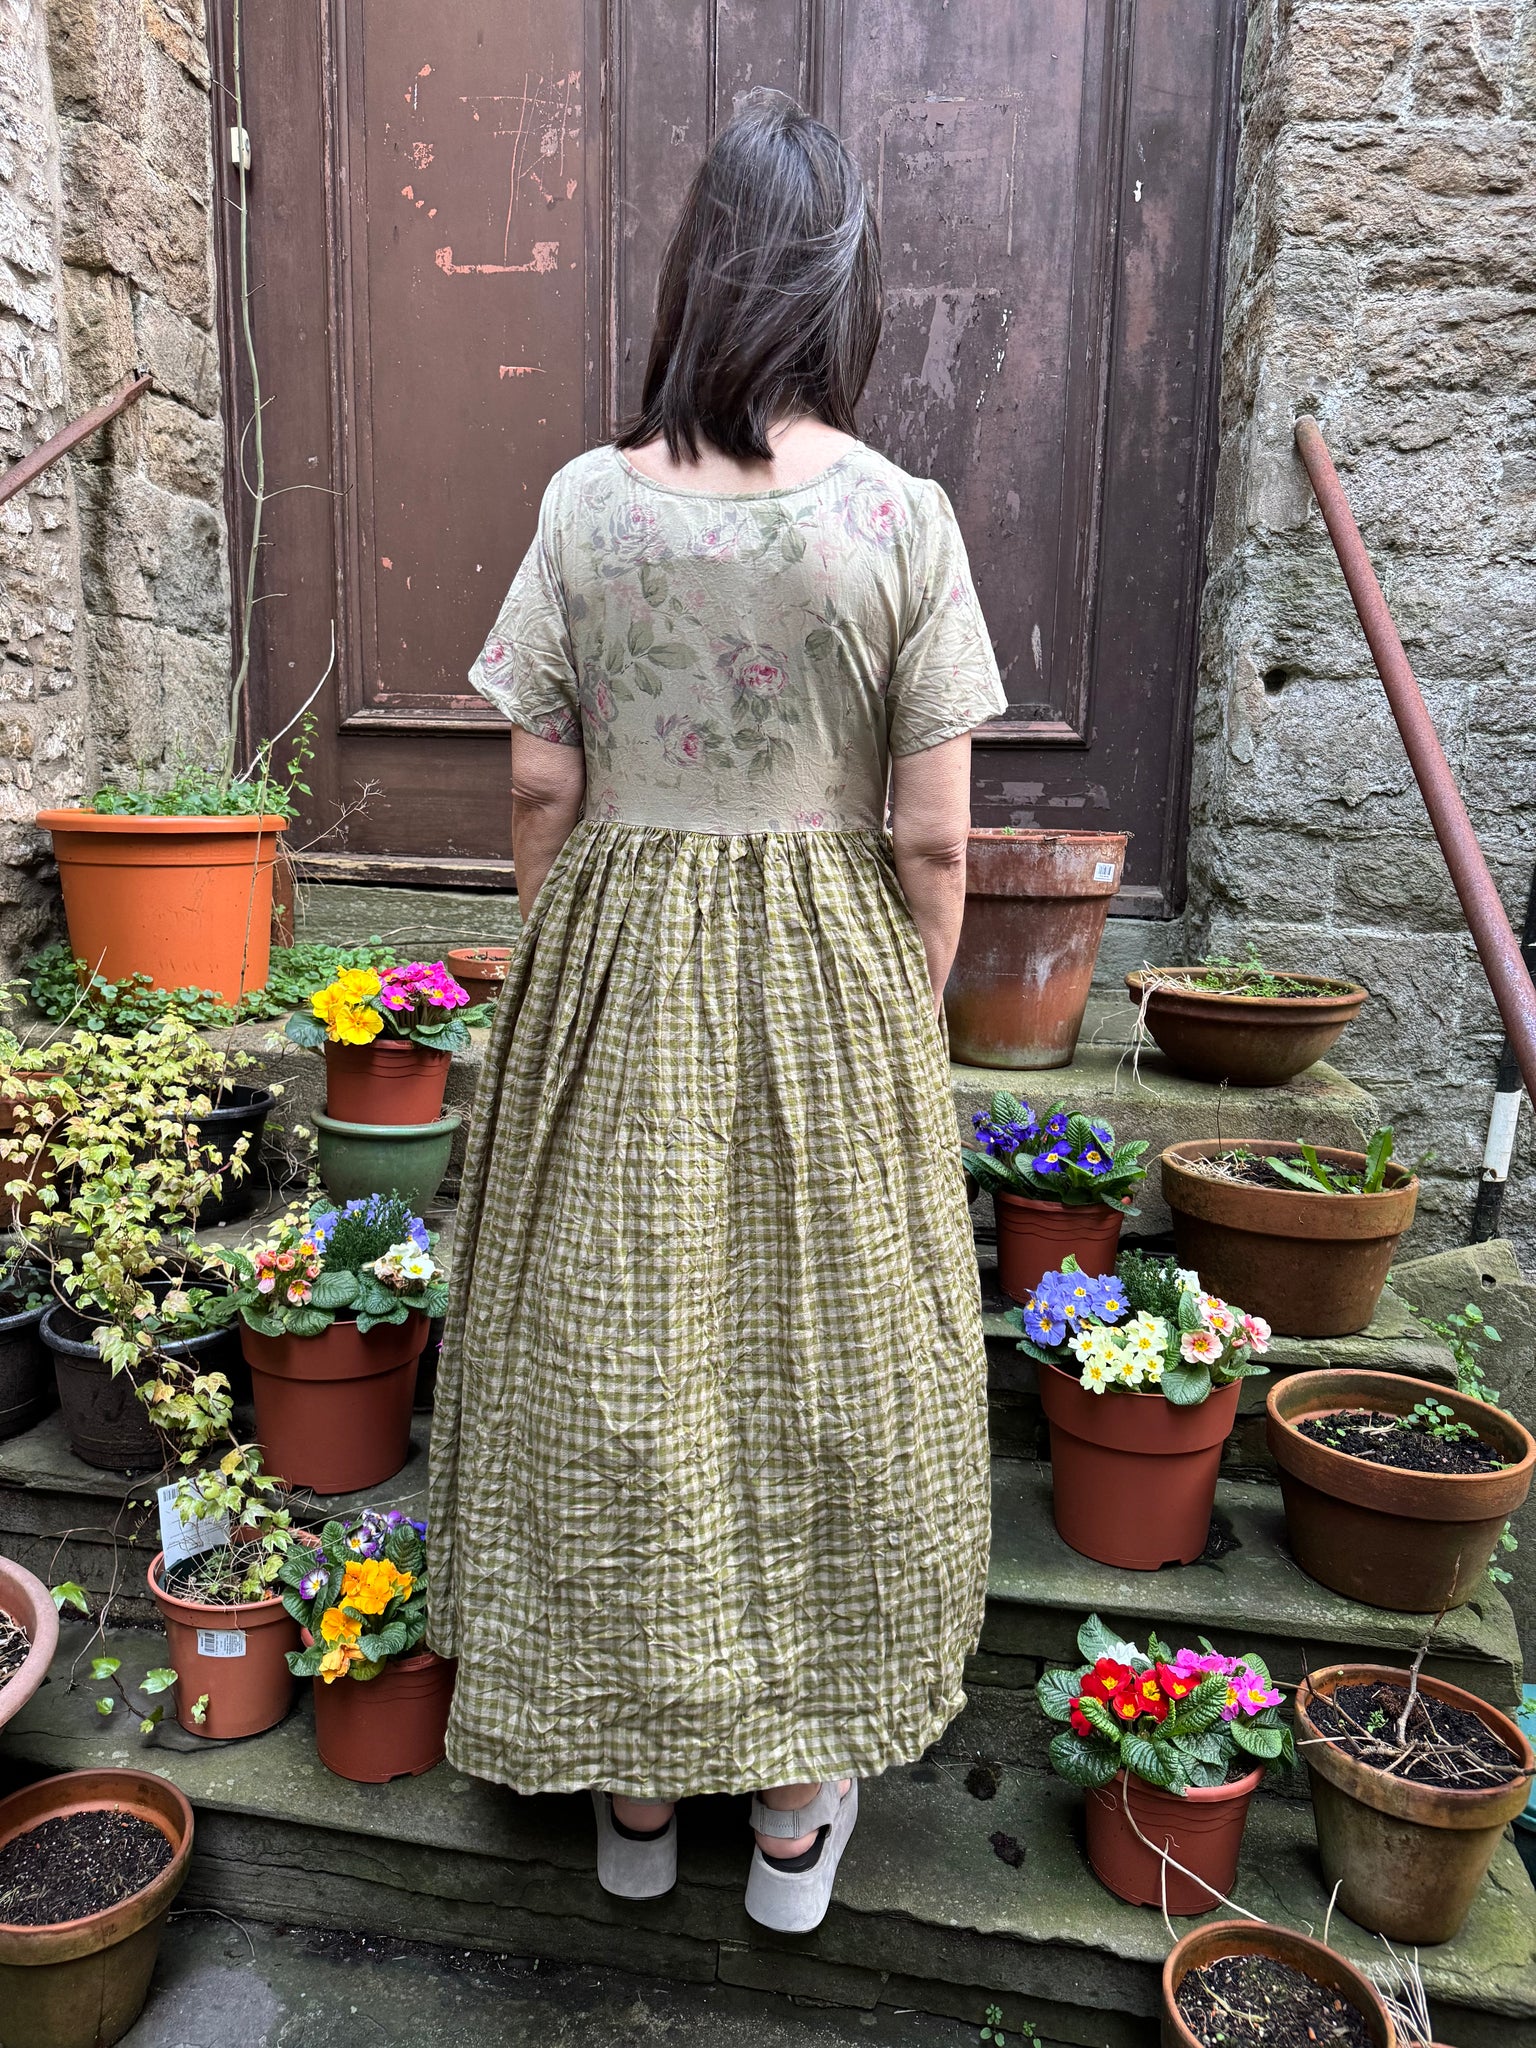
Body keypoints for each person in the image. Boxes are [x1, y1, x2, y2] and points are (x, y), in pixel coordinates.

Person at [428, 90, 1005, 1935]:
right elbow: (933, 835)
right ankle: (795, 1814)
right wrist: (901, 1013)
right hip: (833, 971)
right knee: (831, 1370)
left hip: (618, 958)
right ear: (844, 289)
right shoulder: (902, 516)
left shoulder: (582, 504)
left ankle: (632, 1796)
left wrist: (568, 957)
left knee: (613, 1356)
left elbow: (538, 780)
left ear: (693, 277)